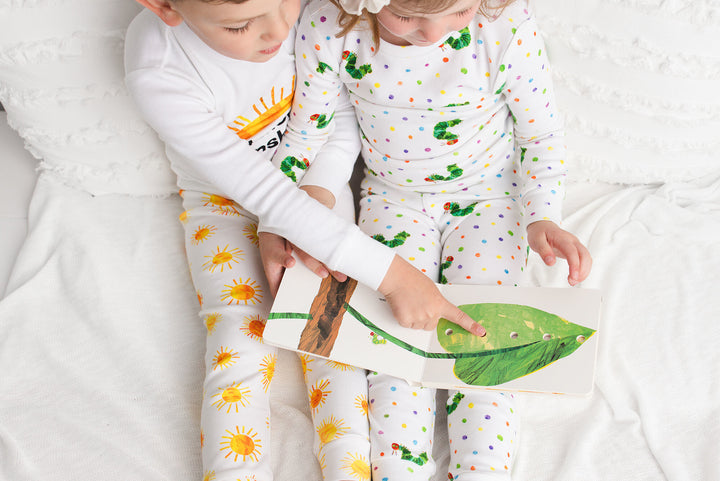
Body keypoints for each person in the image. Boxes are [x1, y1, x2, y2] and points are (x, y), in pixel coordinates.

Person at [124, 0, 484, 479]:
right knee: (240, 338)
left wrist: (314, 201)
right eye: (240, 25)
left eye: (285, 2)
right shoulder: (158, 67)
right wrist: (395, 276)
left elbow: (341, 117)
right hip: (225, 205)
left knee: (334, 342)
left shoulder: (315, 16)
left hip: (318, 190)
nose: (279, 31)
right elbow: (258, 190)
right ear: (165, 6)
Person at [269, 0, 592, 478]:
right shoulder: (330, 26)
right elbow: (306, 133)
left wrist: (542, 216)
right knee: (394, 352)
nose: (432, 34)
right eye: (406, 17)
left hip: (491, 202)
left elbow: (540, 134)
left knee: (487, 343)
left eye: (457, 13)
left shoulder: (504, 24)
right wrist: (279, 219)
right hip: (391, 200)